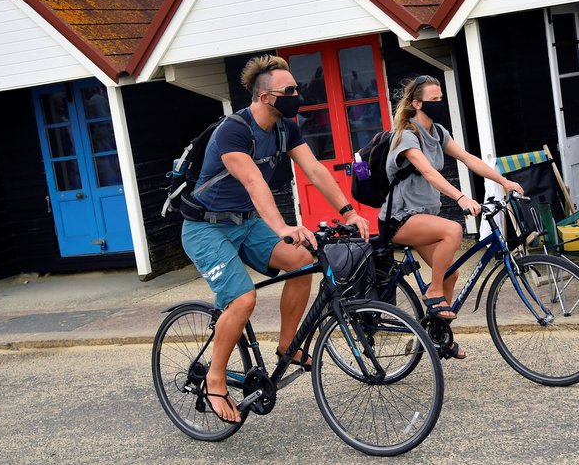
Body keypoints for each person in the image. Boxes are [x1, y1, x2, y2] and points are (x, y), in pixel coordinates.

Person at [181, 55, 370, 423]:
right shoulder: (234, 131)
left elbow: (314, 169)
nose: (298, 95)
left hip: (248, 223)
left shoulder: (286, 127)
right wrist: (284, 226)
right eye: (290, 90)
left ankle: (289, 346)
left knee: (302, 261)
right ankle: (216, 379)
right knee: (242, 298)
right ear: (266, 97)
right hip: (207, 227)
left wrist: (349, 211)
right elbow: (253, 182)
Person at [381, 75, 524, 359]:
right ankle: (433, 291)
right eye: (433, 100)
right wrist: (460, 197)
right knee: (453, 231)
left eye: (441, 98)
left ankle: (438, 336)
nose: (440, 104)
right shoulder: (406, 135)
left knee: (451, 272)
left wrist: (504, 181)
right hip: (400, 218)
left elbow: (469, 159)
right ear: (417, 103)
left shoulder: (438, 132)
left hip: (424, 218)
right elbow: (428, 171)